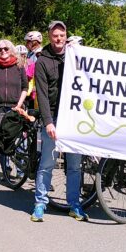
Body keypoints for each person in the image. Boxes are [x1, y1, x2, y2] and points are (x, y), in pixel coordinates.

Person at [31, 20, 86, 223]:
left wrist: (79, 52)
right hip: (53, 117)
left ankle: (74, 204)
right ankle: (40, 203)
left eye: (62, 35)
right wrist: (48, 122)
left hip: (73, 118)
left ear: (66, 36)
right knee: (47, 163)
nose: (59, 39)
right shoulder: (42, 61)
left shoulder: (74, 56)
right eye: (55, 35)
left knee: (74, 166)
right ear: (49, 37)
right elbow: (42, 95)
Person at [0, 38, 29, 173]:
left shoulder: (19, 66)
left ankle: (21, 170)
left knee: (20, 139)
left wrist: (19, 105)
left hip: (16, 107)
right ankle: (5, 170)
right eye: (0, 49)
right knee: (1, 140)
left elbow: (25, 88)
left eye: (6, 49)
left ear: (11, 51)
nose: (3, 51)